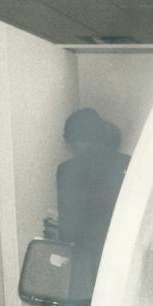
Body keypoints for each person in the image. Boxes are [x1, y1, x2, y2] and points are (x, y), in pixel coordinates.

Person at [57, 107, 130, 288]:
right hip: (124, 256)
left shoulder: (66, 170)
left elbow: (68, 227)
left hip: (86, 264)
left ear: (75, 140)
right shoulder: (127, 163)